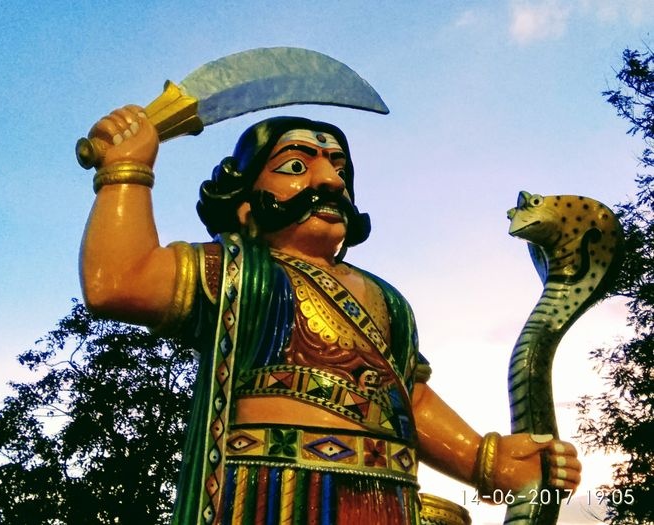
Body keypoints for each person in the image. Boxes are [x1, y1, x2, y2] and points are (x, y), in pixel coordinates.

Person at [80, 105, 581, 525]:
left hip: (386, 499)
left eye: (340, 169)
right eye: (296, 166)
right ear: (244, 203)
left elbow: (408, 398)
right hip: (266, 494)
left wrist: (484, 458)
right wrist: (126, 171)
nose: (330, 181)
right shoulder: (238, 271)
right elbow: (121, 282)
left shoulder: (387, 300)